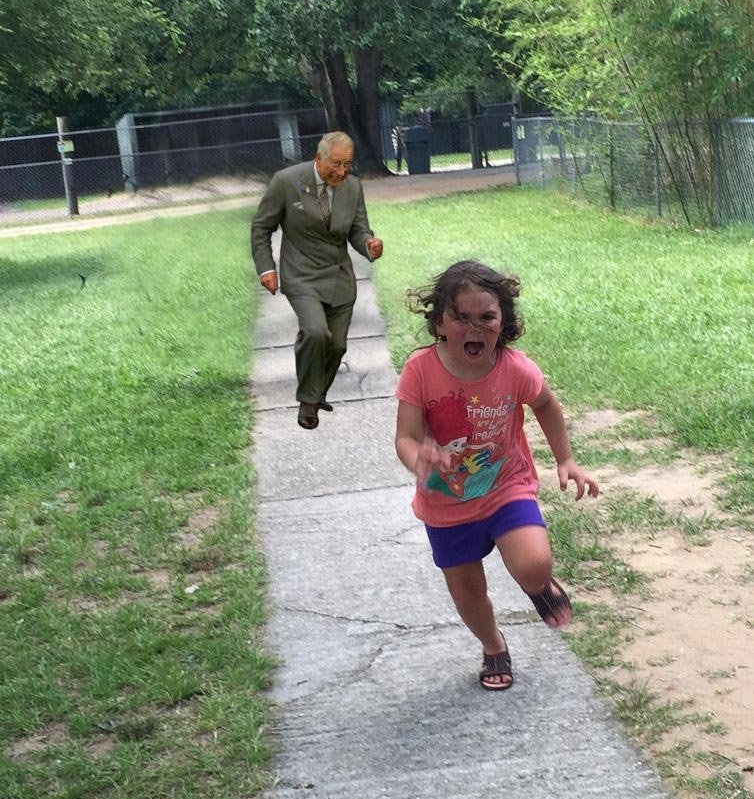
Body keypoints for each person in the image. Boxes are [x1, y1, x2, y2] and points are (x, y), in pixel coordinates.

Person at [394, 260, 599, 692]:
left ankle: (537, 585)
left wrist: (565, 459)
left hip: (507, 487)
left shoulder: (515, 368)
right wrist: (419, 458)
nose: (475, 327)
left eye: (486, 317)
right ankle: (493, 646)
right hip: (445, 504)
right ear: (439, 323)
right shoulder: (420, 371)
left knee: (534, 564)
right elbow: (406, 437)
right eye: (460, 317)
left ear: (503, 322)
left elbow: (546, 404)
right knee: (469, 594)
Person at [251, 131, 383, 430]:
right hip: (301, 274)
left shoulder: (352, 187)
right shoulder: (286, 182)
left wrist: (369, 244)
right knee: (315, 332)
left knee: (336, 345)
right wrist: (266, 269)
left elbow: (358, 229)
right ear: (318, 158)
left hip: (339, 277)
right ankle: (309, 401)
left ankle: (317, 392)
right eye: (335, 164)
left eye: (347, 164)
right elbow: (261, 227)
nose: (341, 171)